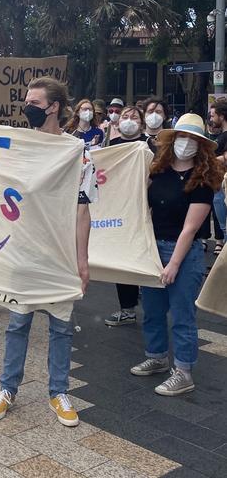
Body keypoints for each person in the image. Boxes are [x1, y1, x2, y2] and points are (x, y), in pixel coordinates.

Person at [0, 77, 97, 427]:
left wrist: (82, 262)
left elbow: (83, 211)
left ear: (53, 107)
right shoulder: (20, 147)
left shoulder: (78, 153)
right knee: (17, 323)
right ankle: (8, 388)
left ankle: (58, 391)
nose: (27, 108)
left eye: (34, 102)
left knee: (61, 328)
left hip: (60, 254)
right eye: (26, 101)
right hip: (24, 250)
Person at [130, 113, 222, 396]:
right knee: (153, 311)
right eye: (182, 137)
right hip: (153, 248)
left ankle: (183, 371)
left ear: (201, 145)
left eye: (192, 139)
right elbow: (136, 200)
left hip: (185, 252)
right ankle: (157, 357)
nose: (186, 143)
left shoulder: (203, 180)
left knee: (182, 315)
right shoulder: (159, 170)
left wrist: (173, 264)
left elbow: (190, 228)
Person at [104, 105, 147, 326]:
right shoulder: (110, 147)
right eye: (125, 117)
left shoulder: (150, 145)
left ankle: (152, 308)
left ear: (141, 122)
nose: (129, 120)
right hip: (119, 210)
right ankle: (127, 308)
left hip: (145, 210)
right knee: (123, 258)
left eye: (134, 117)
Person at [208, 99, 227, 254]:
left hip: (223, 188)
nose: (212, 119)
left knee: (225, 228)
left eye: (214, 115)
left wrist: (212, 159)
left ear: (222, 116)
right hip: (219, 187)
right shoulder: (222, 136)